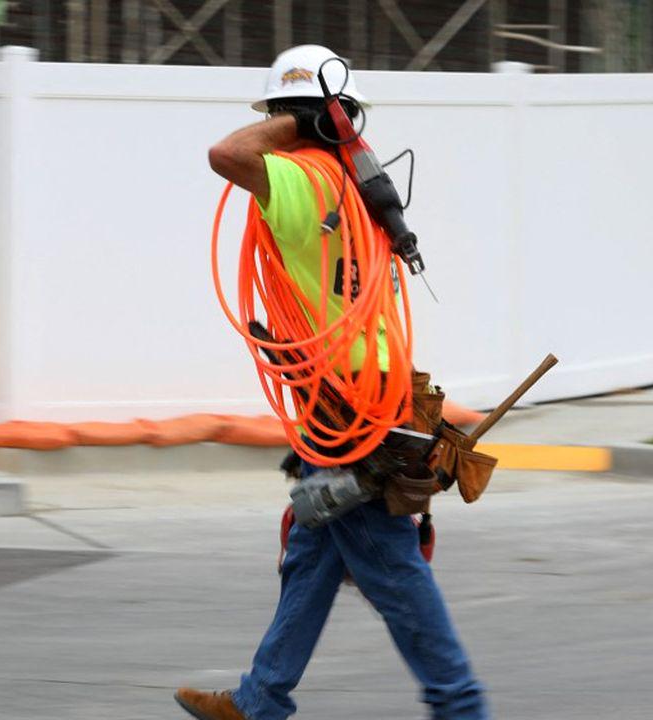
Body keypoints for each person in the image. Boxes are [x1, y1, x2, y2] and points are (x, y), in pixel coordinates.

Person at [174, 45, 489, 720]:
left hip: (344, 404)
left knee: (392, 570)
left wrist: (302, 123)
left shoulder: (301, 182)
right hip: (369, 389)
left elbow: (226, 155)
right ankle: (260, 701)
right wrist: (329, 118)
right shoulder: (360, 189)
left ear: (290, 117)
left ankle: (463, 708)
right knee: (312, 550)